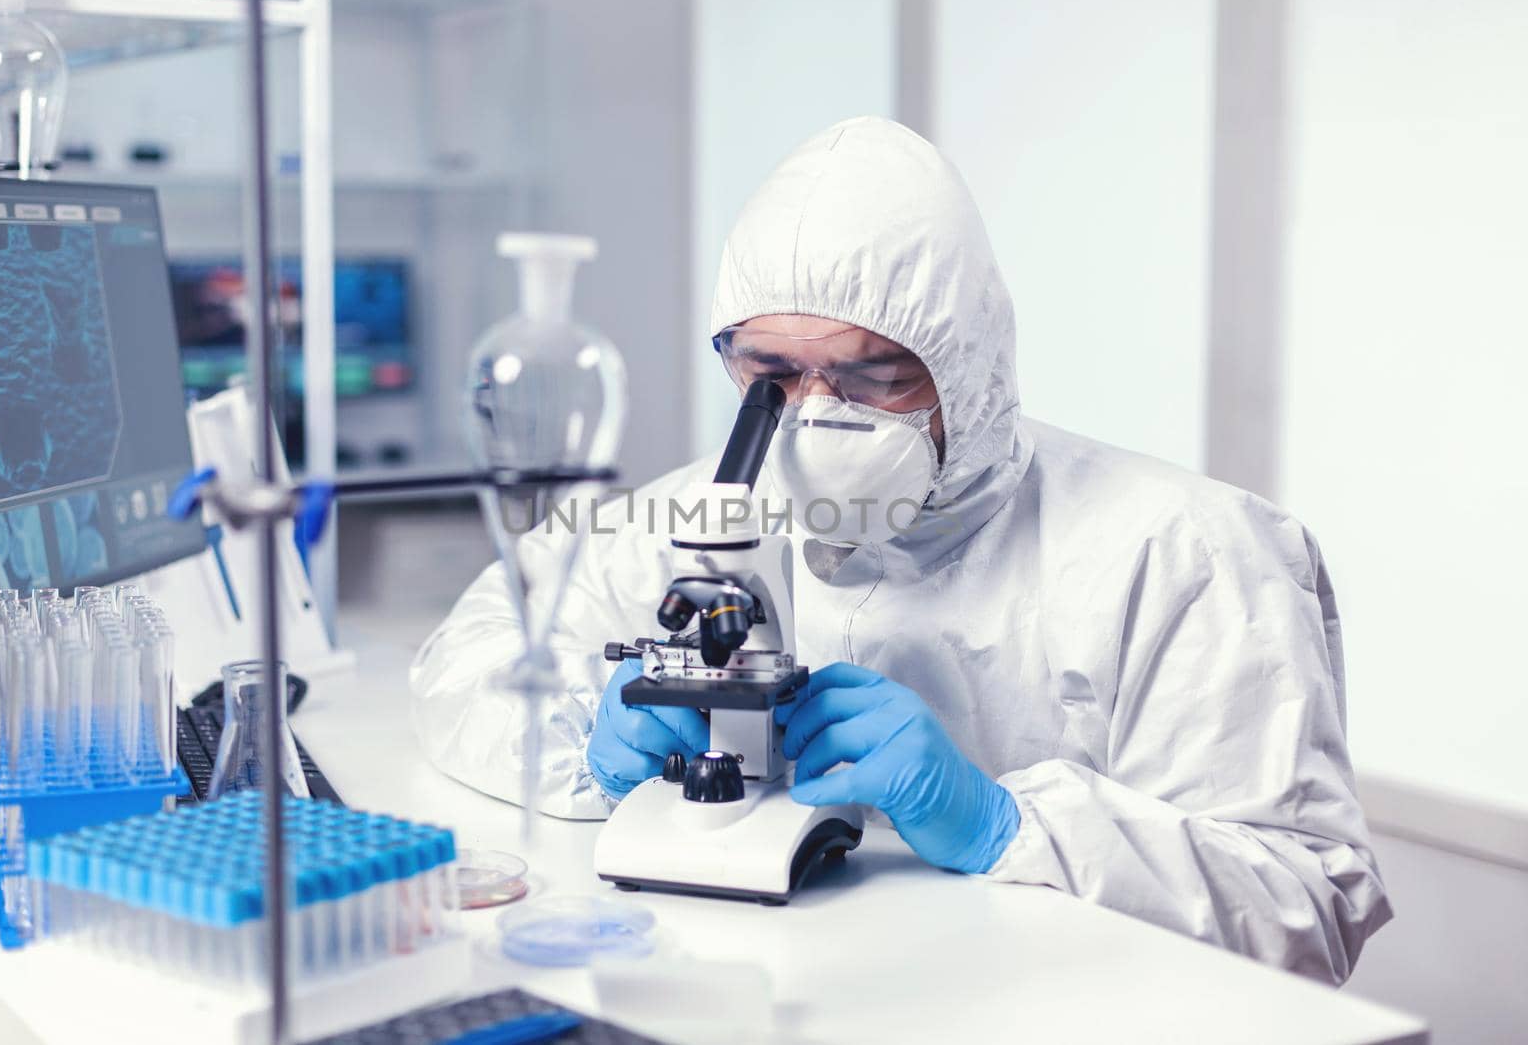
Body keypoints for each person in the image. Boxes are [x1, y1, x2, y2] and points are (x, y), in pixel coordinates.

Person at [410, 116, 1390, 984]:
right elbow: (470, 653)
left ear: (963, 369)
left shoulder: (1183, 550)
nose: (815, 416)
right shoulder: (697, 511)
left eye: (869, 377)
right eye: (771, 374)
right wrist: (586, 729)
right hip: (761, 996)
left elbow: (1306, 904)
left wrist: (1004, 824)